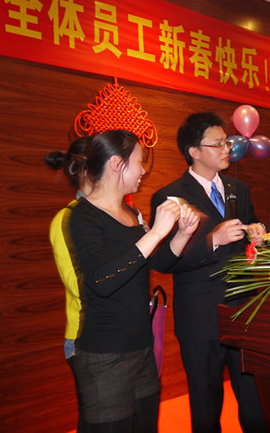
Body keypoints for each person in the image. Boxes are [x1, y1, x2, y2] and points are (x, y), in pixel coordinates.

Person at [67, 129, 199, 432]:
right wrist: (156, 232)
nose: (143, 171)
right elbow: (102, 280)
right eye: (139, 163)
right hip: (106, 355)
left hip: (141, 347)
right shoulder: (83, 216)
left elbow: (157, 263)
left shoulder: (130, 212)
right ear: (117, 164)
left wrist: (182, 234)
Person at [150, 112, 266, 433]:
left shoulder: (238, 188)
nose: (227, 149)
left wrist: (257, 232)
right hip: (200, 317)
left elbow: (251, 226)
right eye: (218, 144)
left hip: (243, 309)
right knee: (206, 404)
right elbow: (163, 261)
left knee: (255, 399)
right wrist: (212, 241)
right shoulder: (170, 196)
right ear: (195, 152)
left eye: (227, 142)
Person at [46, 136, 93, 433]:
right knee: (95, 420)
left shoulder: (122, 216)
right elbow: (83, 288)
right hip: (86, 339)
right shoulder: (67, 219)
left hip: (119, 336)